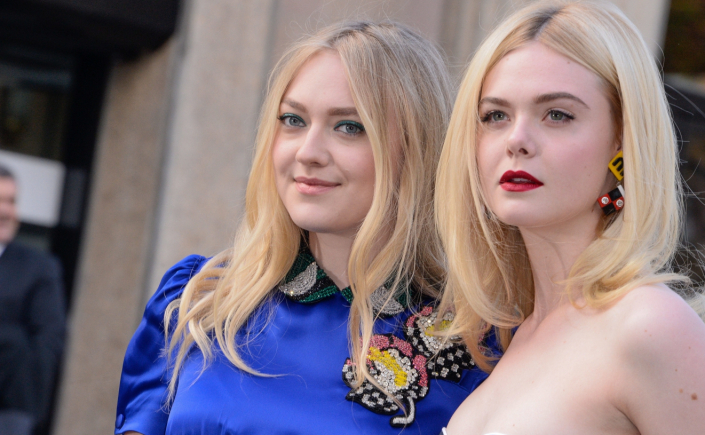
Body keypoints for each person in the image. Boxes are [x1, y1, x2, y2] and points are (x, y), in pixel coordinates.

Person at [116, 21, 486, 435]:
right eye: (293, 120)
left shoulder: (474, 346)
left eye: (349, 127)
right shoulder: (197, 300)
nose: (308, 152)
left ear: (417, 147)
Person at [434, 1, 705, 434]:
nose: (517, 140)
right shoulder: (513, 338)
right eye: (495, 116)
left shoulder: (650, 325)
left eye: (557, 114)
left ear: (621, 139)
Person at [0, 164, 65, 435]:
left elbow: (48, 340)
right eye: (0, 201)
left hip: (10, 408)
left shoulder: (37, 267)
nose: (6, 211)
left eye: (12, 201)